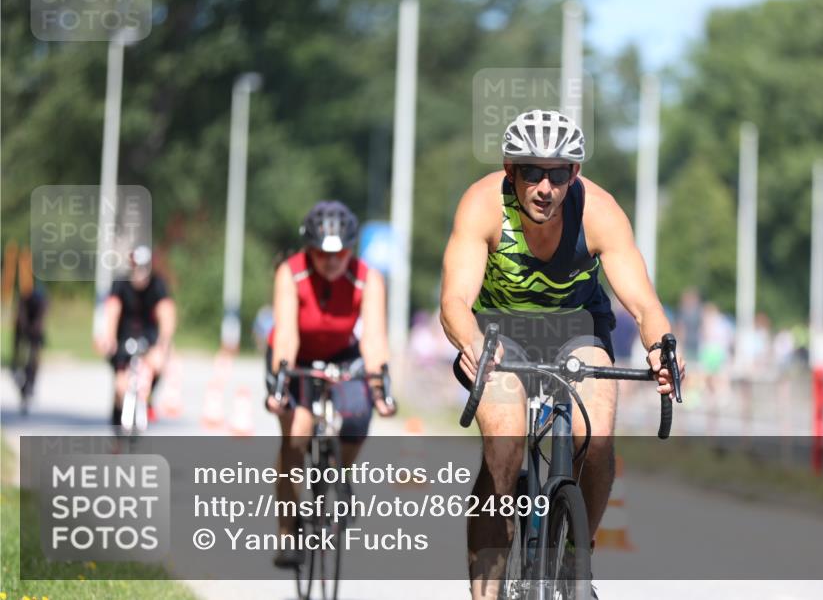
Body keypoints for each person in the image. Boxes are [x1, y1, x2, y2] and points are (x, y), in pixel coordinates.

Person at [439, 109, 683, 600]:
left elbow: (644, 303)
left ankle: (577, 557)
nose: (545, 187)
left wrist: (661, 349)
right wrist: (473, 345)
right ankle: (487, 587)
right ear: (511, 171)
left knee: (597, 435)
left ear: (574, 174)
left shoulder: (600, 212)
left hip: (577, 329)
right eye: (532, 171)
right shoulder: (483, 205)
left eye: (558, 173)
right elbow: (453, 302)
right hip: (499, 332)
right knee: (505, 445)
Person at [264, 200, 396, 569]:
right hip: (295, 359)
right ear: (309, 249)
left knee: (356, 416)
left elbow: (373, 339)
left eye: (339, 254)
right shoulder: (291, 274)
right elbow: (287, 334)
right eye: (321, 254)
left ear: (352, 250)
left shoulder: (368, 278)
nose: (330, 262)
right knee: (296, 437)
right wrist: (280, 383)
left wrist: (380, 387)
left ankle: (339, 475)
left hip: (343, 356)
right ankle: (288, 531)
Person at [94, 246, 176, 431]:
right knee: (121, 387)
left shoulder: (157, 284)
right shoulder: (121, 284)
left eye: (143, 268)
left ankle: (147, 400)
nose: (139, 272)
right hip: (123, 336)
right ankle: (117, 430)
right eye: (136, 267)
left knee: (158, 362)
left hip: (148, 335)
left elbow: (166, 313)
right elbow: (112, 310)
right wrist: (109, 337)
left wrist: (164, 342)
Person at [11, 271, 48, 412]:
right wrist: (25, 330)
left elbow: (41, 317)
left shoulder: (41, 298)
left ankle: (30, 385)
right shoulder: (23, 298)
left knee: (33, 359)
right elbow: (21, 317)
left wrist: (35, 331)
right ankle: (19, 375)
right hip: (22, 331)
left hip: (35, 332)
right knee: (20, 358)